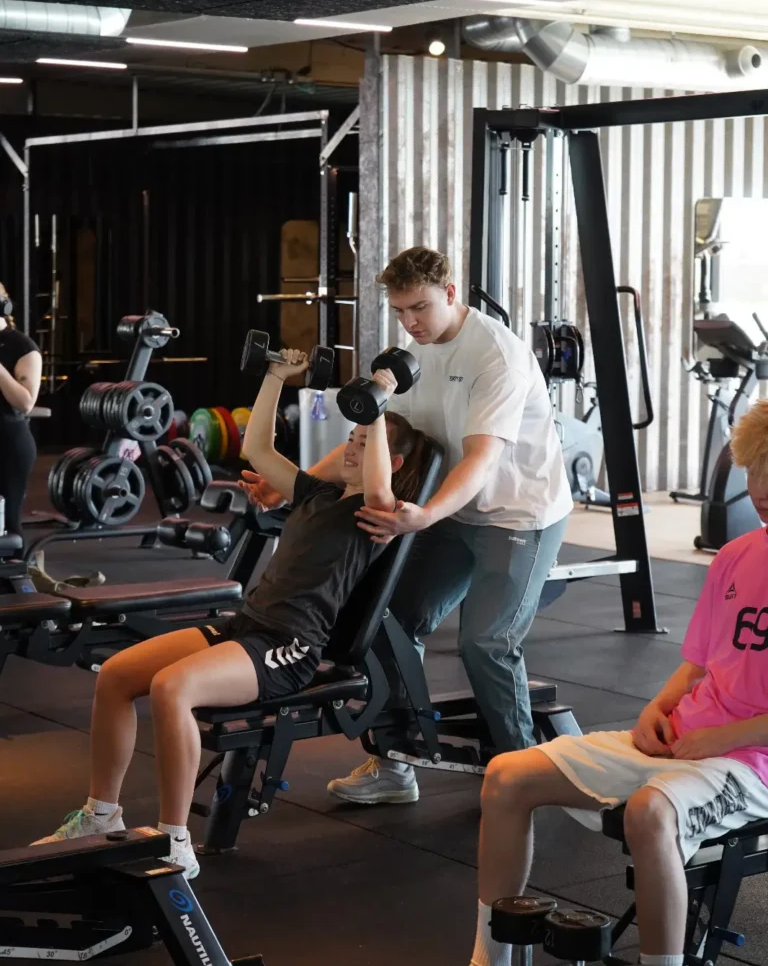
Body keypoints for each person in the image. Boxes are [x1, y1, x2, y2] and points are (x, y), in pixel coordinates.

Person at [33, 349, 429, 880]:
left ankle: (175, 842)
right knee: (119, 676)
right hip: (247, 626)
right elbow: (259, 449)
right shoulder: (318, 494)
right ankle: (101, 816)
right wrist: (274, 378)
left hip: (288, 648)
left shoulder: (377, 517)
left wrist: (376, 404)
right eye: (350, 439)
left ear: (390, 459)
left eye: (364, 442)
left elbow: (378, 481)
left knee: (174, 689)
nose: (353, 448)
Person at [243, 247, 572, 805]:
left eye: (419, 307)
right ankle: (395, 761)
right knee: (386, 621)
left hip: (517, 513)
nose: (410, 322)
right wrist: (292, 481)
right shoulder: (408, 358)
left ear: (450, 292)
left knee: (486, 644)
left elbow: (480, 460)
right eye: (399, 311)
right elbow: (374, 434)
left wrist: (423, 516)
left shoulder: (498, 356)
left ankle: (524, 782)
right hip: (448, 510)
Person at [469, 398, 768, 966]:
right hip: (687, 741)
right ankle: (489, 958)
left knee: (649, 814)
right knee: (507, 776)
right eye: (754, 470)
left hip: (753, 763)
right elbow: (698, 665)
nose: (759, 488)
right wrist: (657, 707)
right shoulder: (735, 556)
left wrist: (722, 740)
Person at [0, 283, 42, 540]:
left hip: (8, 444)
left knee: (7, 523)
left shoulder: (23, 347)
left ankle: (11, 577)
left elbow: (26, 402)